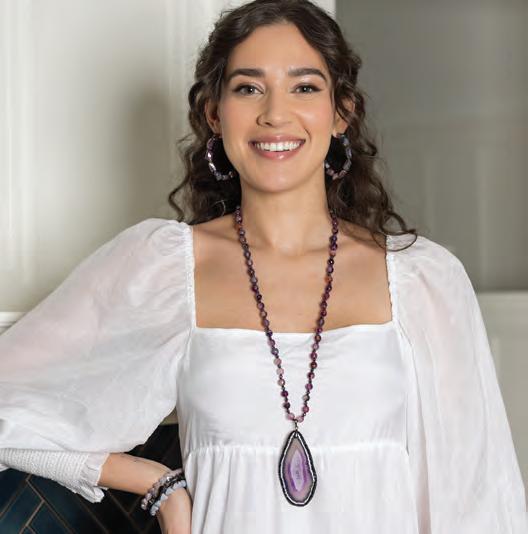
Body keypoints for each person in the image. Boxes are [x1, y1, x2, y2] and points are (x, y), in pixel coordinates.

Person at [0, 0, 526, 532]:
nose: (275, 113)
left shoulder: (423, 280)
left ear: (341, 112)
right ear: (214, 113)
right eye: (249, 88)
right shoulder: (163, 269)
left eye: (304, 87)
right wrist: (157, 484)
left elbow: (477, 500)